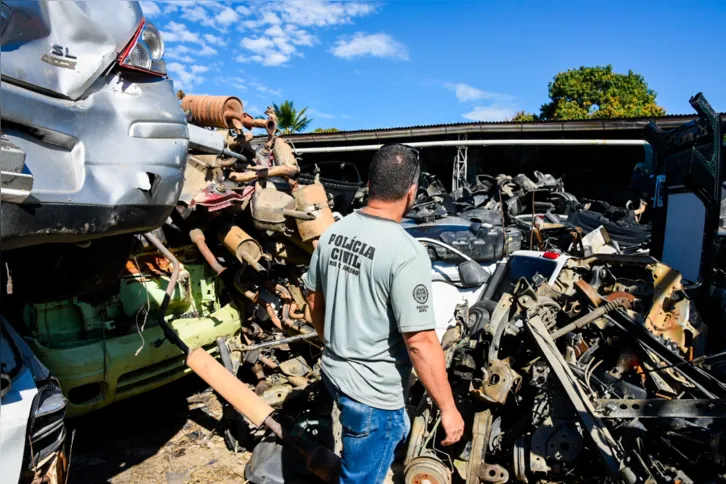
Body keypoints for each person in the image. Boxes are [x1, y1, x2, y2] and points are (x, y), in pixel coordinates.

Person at [304, 144, 465, 483]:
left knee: (382, 438)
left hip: (335, 373)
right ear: (412, 191)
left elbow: (313, 302)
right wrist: (448, 409)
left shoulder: (333, 233)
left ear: (370, 185)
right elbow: (420, 342)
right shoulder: (406, 252)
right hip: (373, 396)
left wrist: (335, 344)